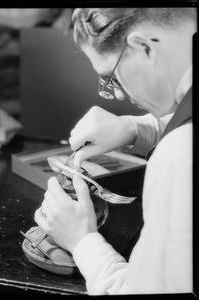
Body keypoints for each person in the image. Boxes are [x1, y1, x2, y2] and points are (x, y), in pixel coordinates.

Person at [34, 8, 196, 294]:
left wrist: (81, 240)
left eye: (111, 77)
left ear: (144, 47)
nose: (117, 94)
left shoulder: (179, 155)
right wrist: (134, 127)